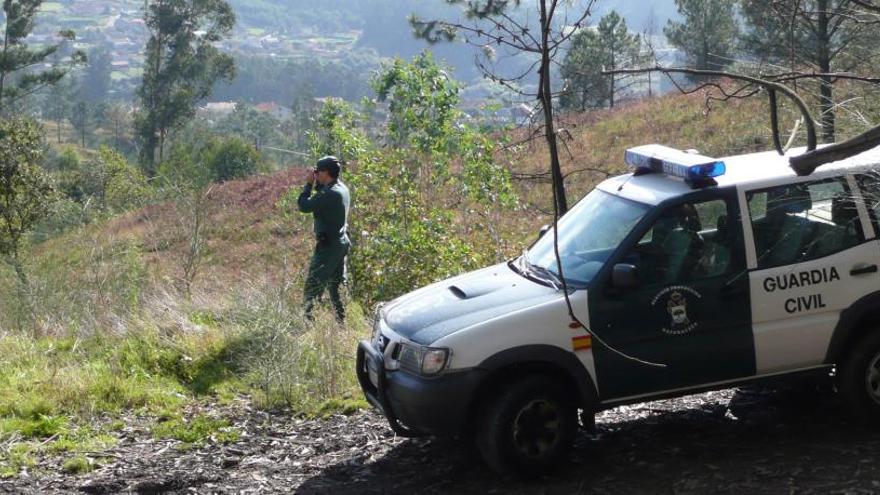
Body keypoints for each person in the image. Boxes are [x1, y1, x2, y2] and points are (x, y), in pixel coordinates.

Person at [298, 156, 351, 322]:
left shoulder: (330, 193)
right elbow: (322, 194)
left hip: (328, 247)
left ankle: (307, 323)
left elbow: (304, 206)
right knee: (336, 287)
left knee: (312, 287)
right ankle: (341, 323)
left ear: (326, 173)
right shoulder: (341, 188)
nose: (316, 174)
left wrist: (308, 184)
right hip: (340, 243)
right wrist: (317, 182)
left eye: (318, 171)